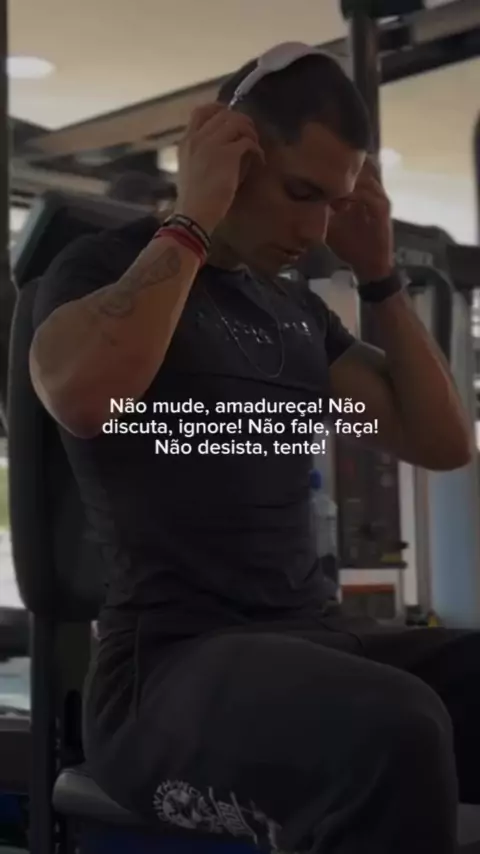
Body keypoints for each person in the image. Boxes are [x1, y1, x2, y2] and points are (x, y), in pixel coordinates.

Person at [28, 42, 477, 854]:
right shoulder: (98, 269)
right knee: (396, 728)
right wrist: (191, 219)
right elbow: (84, 397)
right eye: (300, 193)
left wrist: (380, 277)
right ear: (228, 153)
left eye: (332, 202)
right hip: (163, 673)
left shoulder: (297, 314)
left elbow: (443, 444)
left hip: (309, 639)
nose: (314, 230)